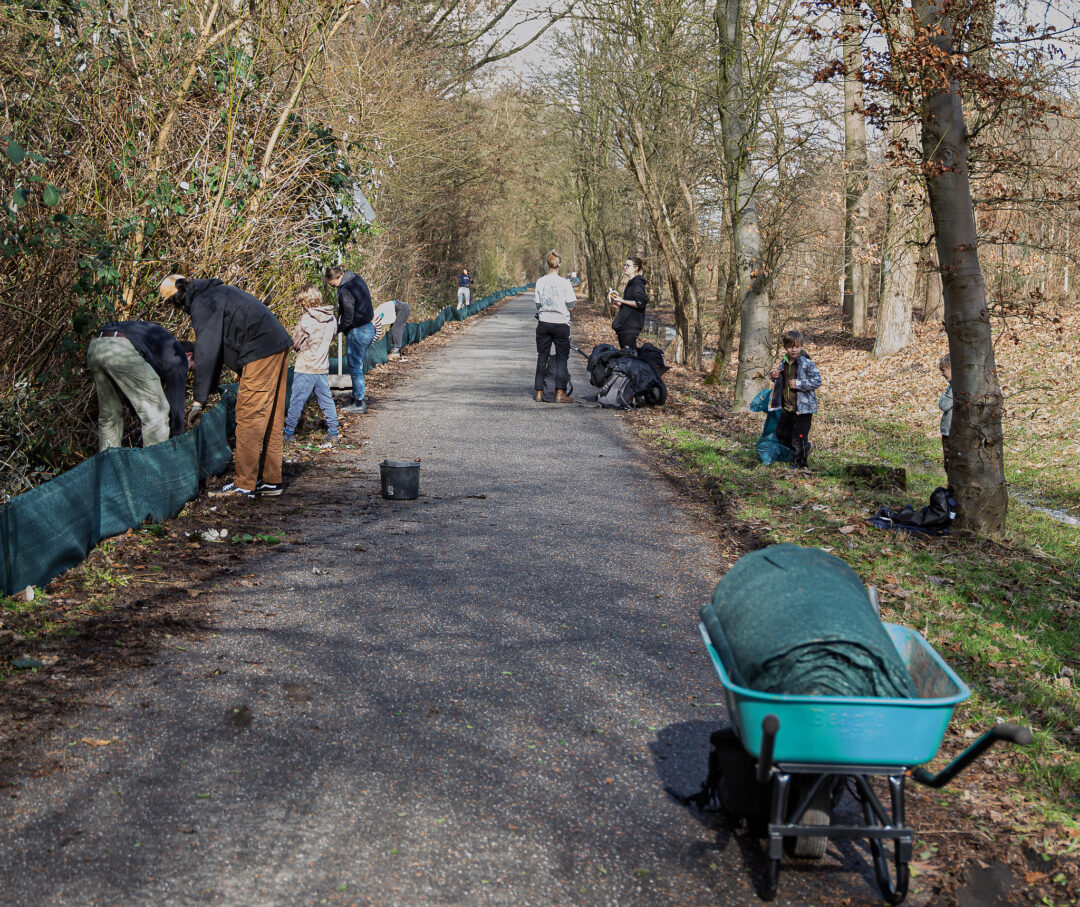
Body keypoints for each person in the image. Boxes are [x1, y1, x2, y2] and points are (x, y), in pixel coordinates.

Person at [159, 274, 293, 498]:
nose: (177, 309)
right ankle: (271, 480)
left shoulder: (202, 304)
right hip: (276, 345)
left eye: (173, 304)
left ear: (178, 299)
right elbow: (219, 346)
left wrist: (198, 401)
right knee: (270, 416)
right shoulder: (216, 293)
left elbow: (207, 351)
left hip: (259, 351)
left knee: (248, 415)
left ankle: (244, 484)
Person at [86, 320, 193, 450]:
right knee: (157, 412)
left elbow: (135, 394)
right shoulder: (178, 355)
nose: (188, 373)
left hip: (96, 346)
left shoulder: (158, 348)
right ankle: (153, 467)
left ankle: (111, 465)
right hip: (119, 348)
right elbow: (176, 402)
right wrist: (178, 439)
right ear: (189, 355)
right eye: (191, 369)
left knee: (110, 416)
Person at [284, 284, 339, 446]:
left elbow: (296, 343)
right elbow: (333, 337)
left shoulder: (305, 319)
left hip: (305, 367)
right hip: (322, 367)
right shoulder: (332, 319)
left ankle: (288, 434)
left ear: (305, 301)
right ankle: (334, 432)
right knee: (326, 400)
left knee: (296, 401)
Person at [768, 329, 822, 471]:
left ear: (801, 346)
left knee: (799, 437)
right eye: (791, 346)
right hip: (787, 407)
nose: (794, 349)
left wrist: (799, 384)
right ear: (785, 347)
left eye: (797, 346)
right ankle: (805, 448)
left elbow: (817, 381)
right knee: (781, 434)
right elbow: (780, 381)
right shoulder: (783, 362)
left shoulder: (806, 363)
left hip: (803, 409)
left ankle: (801, 464)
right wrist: (773, 376)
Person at [326, 265, 374, 414]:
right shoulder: (355, 278)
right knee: (357, 365)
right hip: (368, 327)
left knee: (354, 367)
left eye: (331, 282)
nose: (331, 285)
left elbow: (348, 317)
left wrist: (337, 329)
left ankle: (359, 403)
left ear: (338, 277)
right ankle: (356, 397)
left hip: (358, 331)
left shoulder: (345, 290)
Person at [533, 250, 576, 404]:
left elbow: (538, 304)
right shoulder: (565, 283)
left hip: (544, 322)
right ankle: (560, 393)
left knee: (542, 357)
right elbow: (571, 305)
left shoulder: (540, 281)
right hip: (561, 324)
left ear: (547, 264)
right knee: (562, 358)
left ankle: (539, 391)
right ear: (560, 265)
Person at [610, 256, 649, 350]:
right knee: (626, 357)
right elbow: (632, 304)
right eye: (625, 265)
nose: (625, 267)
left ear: (635, 268)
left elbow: (640, 303)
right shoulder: (631, 282)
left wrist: (622, 300)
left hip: (630, 328)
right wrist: (621, 305)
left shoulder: (637, 283)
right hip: (625, 328)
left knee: (630, 360)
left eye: (628, 265)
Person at [938, 353, 953, 472]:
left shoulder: (954, 389)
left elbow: (944, 405)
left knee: (949, 464)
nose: (943, 374)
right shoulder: (952, 387)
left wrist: (944, 394)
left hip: (950, 433)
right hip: (949, 432)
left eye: (944, 370)